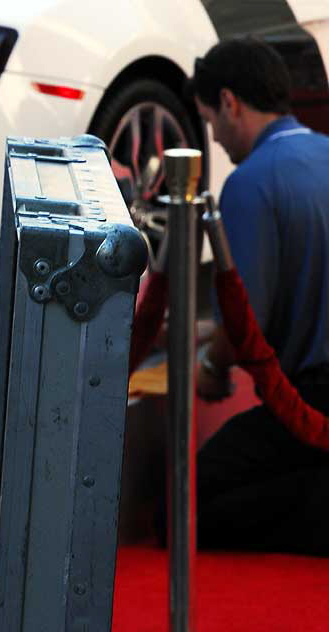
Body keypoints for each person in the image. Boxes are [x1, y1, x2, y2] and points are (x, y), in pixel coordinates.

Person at [188, 38, 329, 556]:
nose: (217, 139)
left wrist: (211, 362)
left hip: (314, 399)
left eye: (211, 121)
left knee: (187, 512)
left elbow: (248, 322)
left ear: (229, 101)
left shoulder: (249, 182)